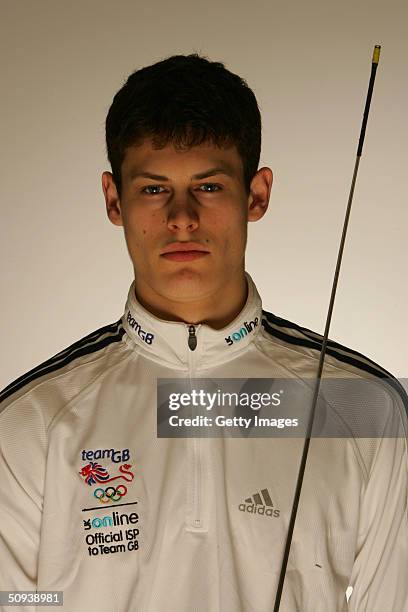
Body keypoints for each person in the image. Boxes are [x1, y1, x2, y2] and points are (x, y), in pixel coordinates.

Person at [0, 53, 407, 612]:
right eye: (153, 189)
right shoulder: (30, 423)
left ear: (256, 194)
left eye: (210, 187)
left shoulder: (364, 409)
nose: (182, 218)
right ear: (114, 200)